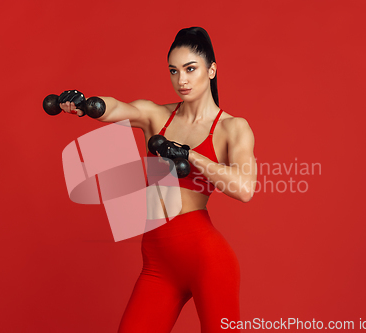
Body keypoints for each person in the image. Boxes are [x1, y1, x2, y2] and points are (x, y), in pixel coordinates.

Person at [59, 27, 257, 333]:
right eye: (174, 71)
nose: (182, 80)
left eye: (191, 69)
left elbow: (244, 189)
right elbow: (118, 109)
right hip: (157, 262)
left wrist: (191, 155)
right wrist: (86, 104)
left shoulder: (233, 128)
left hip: (206, 258)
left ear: (212, 70)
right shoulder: (156, 116)